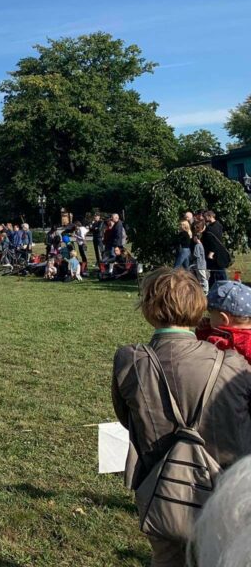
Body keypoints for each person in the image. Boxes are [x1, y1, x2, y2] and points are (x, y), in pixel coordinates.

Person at [112, 268, 251, 566]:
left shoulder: (131, 361)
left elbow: (126, 419)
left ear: (150, 308)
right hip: (224, 491)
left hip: (160, 486)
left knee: (167, 558)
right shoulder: (234, 364)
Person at [196, 281, 251, 364]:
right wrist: (203, 330)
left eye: (211, 314)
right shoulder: (222, 332)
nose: (208, 318)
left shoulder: (245, 345)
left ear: (223, 318)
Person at [202, 210, 231, 285]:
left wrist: (211, 253)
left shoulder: (210, 229)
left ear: (210, 216)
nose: (204, 218)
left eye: (205, 217)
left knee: (218, 273)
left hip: (215, 256)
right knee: (218, 273)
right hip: (220, 254)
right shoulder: (219, 225)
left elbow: (213, 243)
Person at [192, 223, 209, 294]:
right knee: (201, 278)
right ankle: (202, 290)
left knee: (202, 278)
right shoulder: (201, 245)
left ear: (196, 238)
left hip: (199, 264)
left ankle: (205, 291)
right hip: (202, 264)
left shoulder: (197, 246)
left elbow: (196, 255)